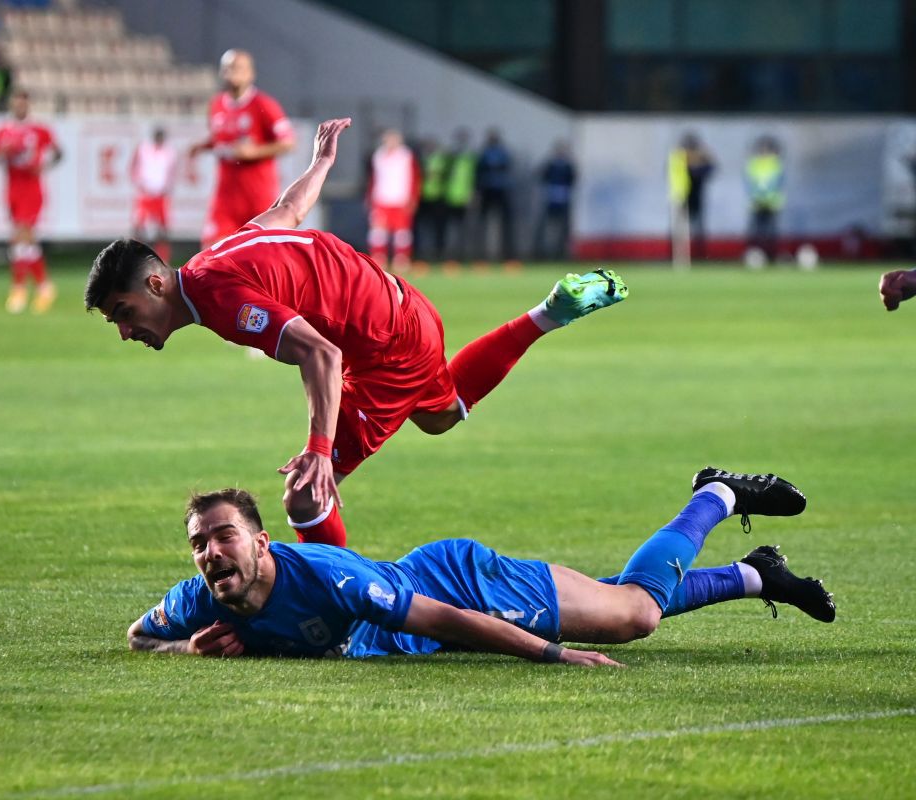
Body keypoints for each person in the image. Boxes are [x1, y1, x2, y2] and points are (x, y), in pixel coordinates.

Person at [85, 119, 628, 548]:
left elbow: (319, 352)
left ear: (156, 283)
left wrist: (319, 447)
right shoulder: (213, 259)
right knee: (440, 414)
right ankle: (549, 313)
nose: (127, 331)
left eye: (124, 312)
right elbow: (288, 209)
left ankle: (344, 614)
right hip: (403, 309)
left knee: (305, 494)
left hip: (386, 346)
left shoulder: (219, 299)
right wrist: (321, 161)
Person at [127, 469, 834, 663]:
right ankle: (757, 575)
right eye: (200, 544)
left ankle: (716, 495)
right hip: (435, 614)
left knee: (633, 615)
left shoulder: (325, 575)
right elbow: (138, 635)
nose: (212, 552)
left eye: (224, 536)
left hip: (460, 585)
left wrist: (553, 655)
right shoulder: (204, 598)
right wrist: (183, 649)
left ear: (262, 542)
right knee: (617, 600)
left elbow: (445, 617)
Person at [189, 49, 294, 248]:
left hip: (257, 197)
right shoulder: (217, 104)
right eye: (227, 68)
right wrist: (203, 146)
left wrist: (254, 152)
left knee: (262, 256)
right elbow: (221, 138)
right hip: (226, 198)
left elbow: (288, 143)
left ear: (250, 74)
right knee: (210, 253)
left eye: (238, 68)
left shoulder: (264, 105)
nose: (232, 73)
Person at [0, 88, 62, 314]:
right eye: (15, 102)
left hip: (32, 188)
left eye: (22, 103)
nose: (19, 106)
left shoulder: (39, 129)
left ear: (27, 105)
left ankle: (20, 289)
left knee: (22, 236)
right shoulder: (3, 131)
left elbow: (59, 153)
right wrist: (1, 152)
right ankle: (43, 286)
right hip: (12, 189)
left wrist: (45, 166)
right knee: (21, 242)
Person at [365, 129, 420, 273]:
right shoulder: (378, 155)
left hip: (400, 199)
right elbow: (374, 178)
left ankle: (401, 259)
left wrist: (413, 198)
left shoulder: (406, 156)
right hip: (381, 198)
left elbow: (415, 178)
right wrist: (370, 197)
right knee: (378, 232)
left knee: (402, 233)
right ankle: (378, 258)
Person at [130, 126, 178, 264]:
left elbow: (172, 171)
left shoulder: (169, 152)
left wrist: (167, 187)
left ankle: (163, 259)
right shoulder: (144, 149)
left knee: (162, 230)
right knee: (139, 228)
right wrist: (139, 183)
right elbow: (134, 167)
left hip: (160, 195)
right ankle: (136, 259)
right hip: (145, 194)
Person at [668, 132, 716, 263]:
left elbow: (710, 169)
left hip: (694, 198)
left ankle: (699, 256)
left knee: (697, 229)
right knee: (678, 230)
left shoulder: (699, 161)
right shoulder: (679, 159)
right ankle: (676, 257)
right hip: (681, 197)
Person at [475, 129, 515, 262]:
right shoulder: (485, 153)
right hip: (488, 190)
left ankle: (506, 254)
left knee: (505, 223)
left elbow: (506, 167)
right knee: (484, 223)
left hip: (501, 190)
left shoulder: (501, 152)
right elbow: (479, 171)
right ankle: (482, 254)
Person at [745, 136, 785, 263]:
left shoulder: (776, 163)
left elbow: (779, 183)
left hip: (772, 202)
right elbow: (748, 183)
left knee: (771, 232)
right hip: (757, 202)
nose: (764, 151)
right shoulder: (754, 163)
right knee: (756, 232)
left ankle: (771, 256)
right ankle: (755, 257)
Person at [534, 140, 576, 260]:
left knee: (564, 228)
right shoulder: (551, 165)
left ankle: (562, 252)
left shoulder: (567, 166)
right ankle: (545, 252)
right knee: (548, 227)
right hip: (551, 200)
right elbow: (541, 176)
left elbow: (573, 180)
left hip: (563, 200)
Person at [442, 128, 476, 263]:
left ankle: (464, 255)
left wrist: (472, 193)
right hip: (450, 197)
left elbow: (473, 178)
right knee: (449, 229)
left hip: (464, 198)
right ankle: (449, 256)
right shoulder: (450, 158)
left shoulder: (470, 158)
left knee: (464, 229)